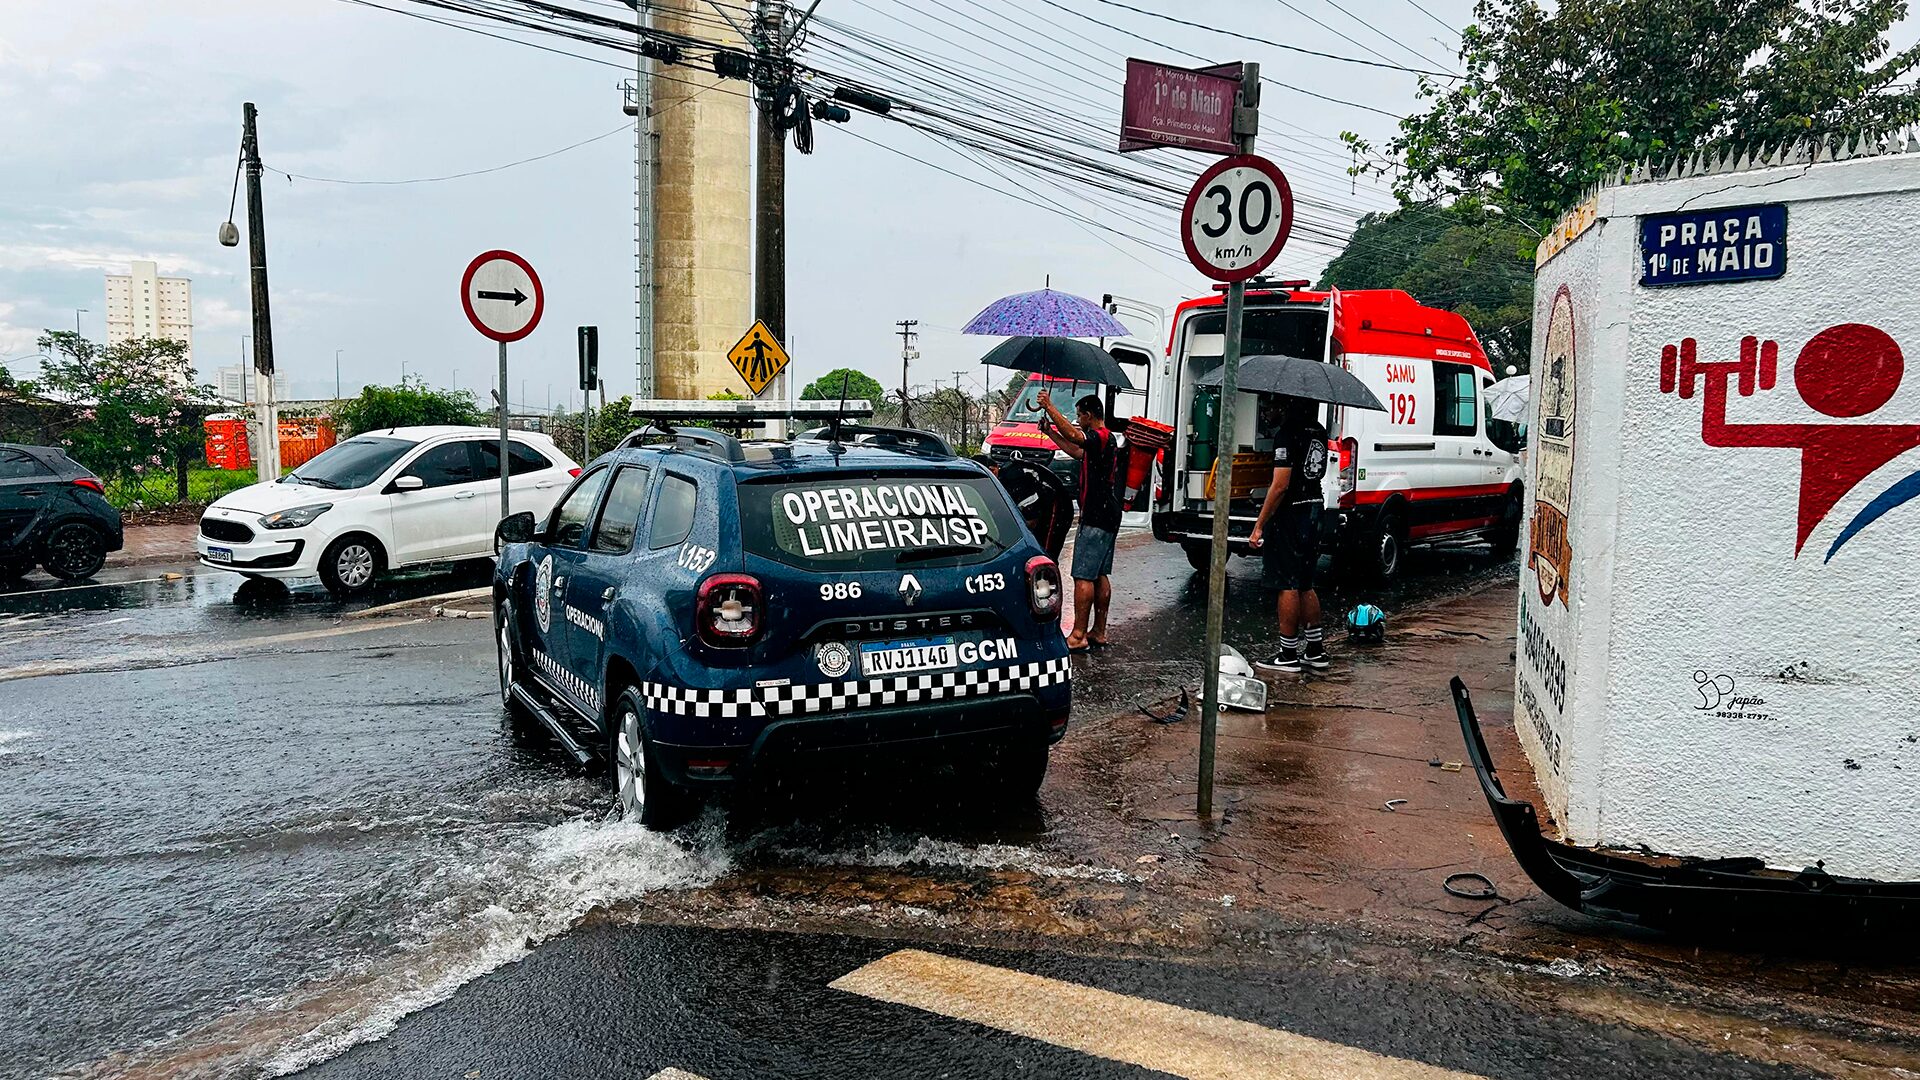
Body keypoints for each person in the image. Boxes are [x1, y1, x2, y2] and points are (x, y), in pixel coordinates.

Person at [1248, 395, 1330, 672]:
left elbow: (1280, 485)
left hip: (1291, 513)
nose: (1266, 412)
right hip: (1314, 508)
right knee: (1306, 581)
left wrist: (1260, 523)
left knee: (1287, 583)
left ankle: (1288, 653)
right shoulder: (1318, 429)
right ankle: (1315, 650)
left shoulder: (1286, 434)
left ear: (1285, 407)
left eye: (1271, 406)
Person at [1037, 389, 1120, 652]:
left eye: (1079, 416)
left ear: (1089, 415)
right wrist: (1050, 432)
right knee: (1099, 574)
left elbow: (1075, 437)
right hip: (1108, 513)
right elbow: (1075, 450)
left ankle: (1079, 634)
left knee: (1083, 575)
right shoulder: (1103, 442)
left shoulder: (1101, 436)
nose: (1077, 421)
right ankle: (1099, 631)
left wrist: (1049, 406)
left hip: (1096, 514)